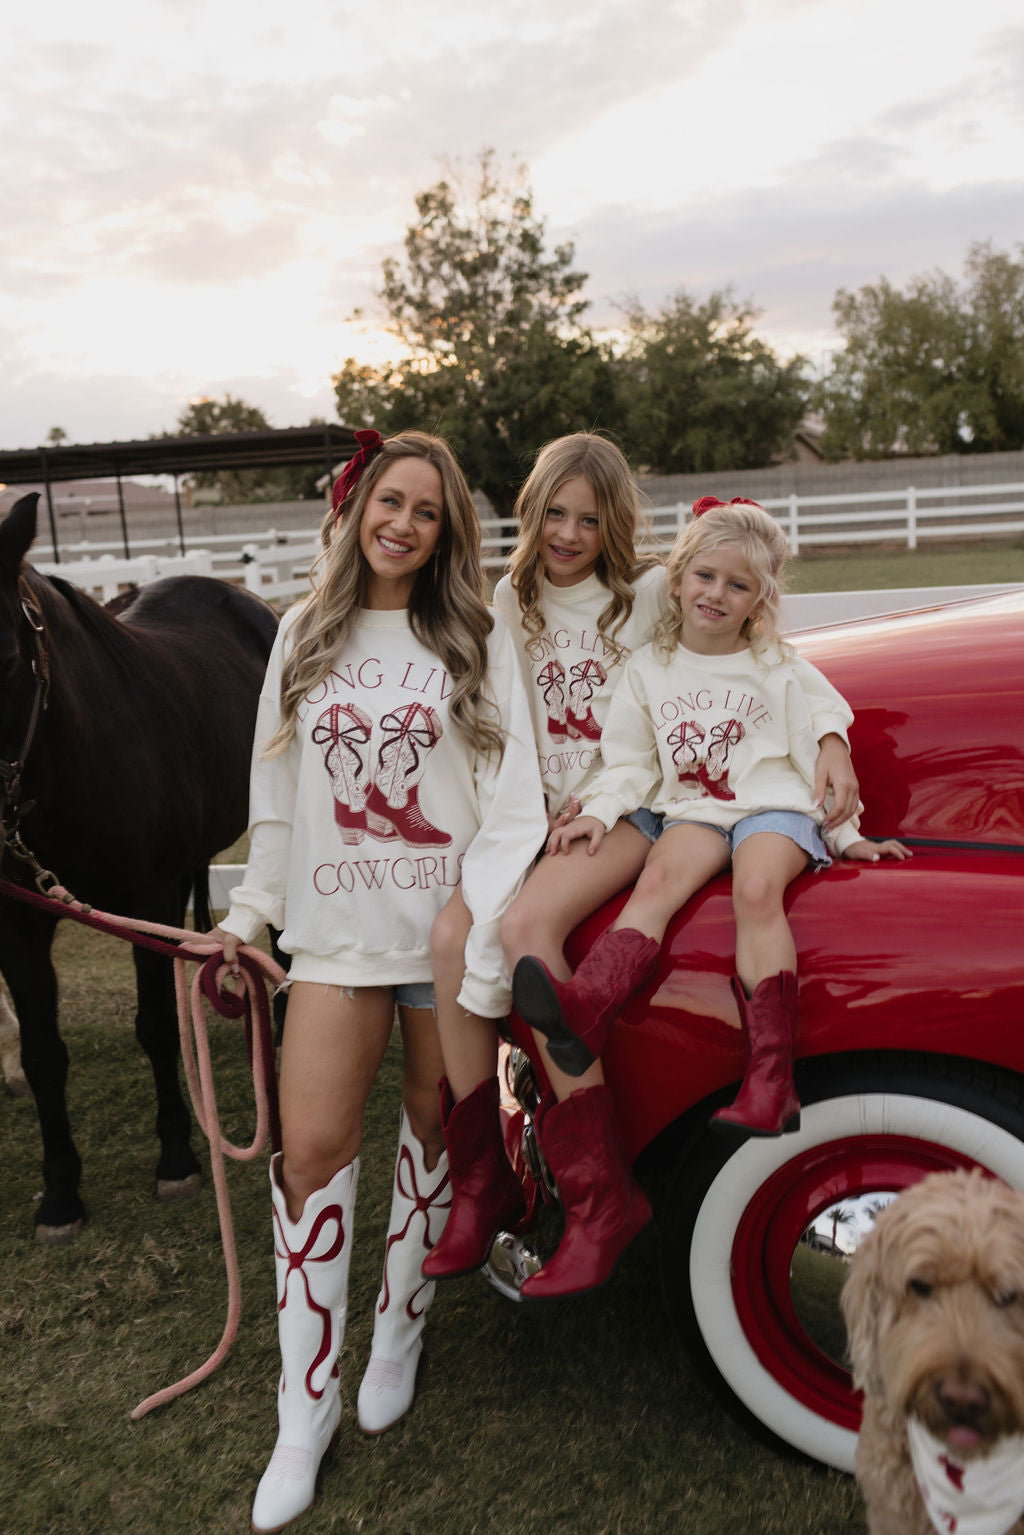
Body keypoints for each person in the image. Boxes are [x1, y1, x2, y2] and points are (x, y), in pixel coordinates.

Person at [207, 430, 545, 1534]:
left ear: (447, 531)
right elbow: (274, 790)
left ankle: (397, 1328)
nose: (403, 523)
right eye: (388, 502)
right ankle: (301, 1412)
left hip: (439, 937)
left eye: (427, 511)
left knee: (432, 1129)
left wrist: (471, 913)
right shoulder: (303, 632)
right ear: (355, 509)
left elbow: (514, 795)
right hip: (335, 936)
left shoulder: (476, 635)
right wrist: (248, 914)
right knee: (308, 1152)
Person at [426, 439, 858, 1303]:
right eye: (555, 513)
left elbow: (765, 655)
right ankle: (483, 1176)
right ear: (532, 509)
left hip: (634, 803)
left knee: (523, 930)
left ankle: (597, 1193)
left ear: (619, 524)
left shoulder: (655, 589)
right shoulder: (508, 603)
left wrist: (832, 743)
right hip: (541, 808)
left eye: (591, 518)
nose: (570, 533)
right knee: (448, 936)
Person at [514, 496, 910, 1178]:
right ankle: (585, 1010)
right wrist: (600, 815)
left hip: (773, 808)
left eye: (737, 585)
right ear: (678, 579)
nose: (716, 594)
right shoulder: (650, 669)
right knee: (659, 879)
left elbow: (823, 728)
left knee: (758, 888)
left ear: (759, 599)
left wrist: (846, 834)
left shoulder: (774, 662)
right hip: (691, 808)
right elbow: (631, 763)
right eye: (705, 576)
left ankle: (770, 1078)